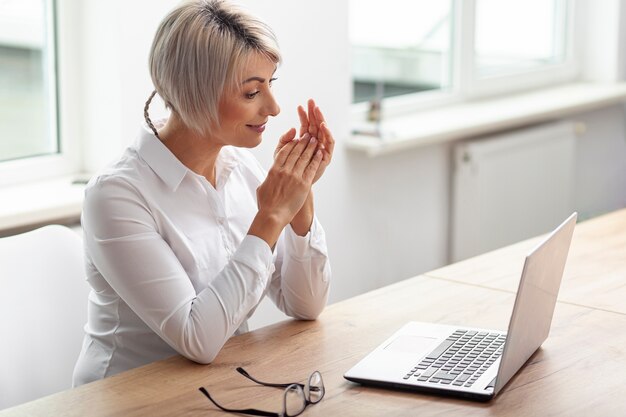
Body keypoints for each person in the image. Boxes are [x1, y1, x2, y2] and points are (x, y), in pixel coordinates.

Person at [72, 0, 334, 386]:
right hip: (130, 399)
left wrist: (299, 197)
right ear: (195, 93)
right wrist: (270, 217)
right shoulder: (116, 196)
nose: (274, 108)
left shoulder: (242, 170)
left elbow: (305, 305)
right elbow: (198, 339)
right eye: (251, 93)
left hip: (220, 387)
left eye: (270, 85)